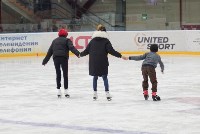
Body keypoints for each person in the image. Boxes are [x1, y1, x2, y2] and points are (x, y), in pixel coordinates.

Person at [80, 24, 126, 101]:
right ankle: (107, 93)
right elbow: (111, 51)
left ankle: (95, 93)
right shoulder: (106, 41)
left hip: (93, 62)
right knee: (104, 77)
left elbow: (86, 51)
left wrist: (80, 54)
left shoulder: (92, 41)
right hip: (103, 61)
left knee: (95, 77)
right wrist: (120, 56)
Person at [42, 29, 80, 98]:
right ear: (66, 34)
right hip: (63, 58)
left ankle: (59, 91)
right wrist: (78, 54)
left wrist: (45, 61)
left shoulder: (54, 41)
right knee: (65, 74)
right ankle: (66, 91)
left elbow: (49, 52)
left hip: (56, 58)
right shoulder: (67, 40)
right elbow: (72, 48)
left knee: (58, 73)